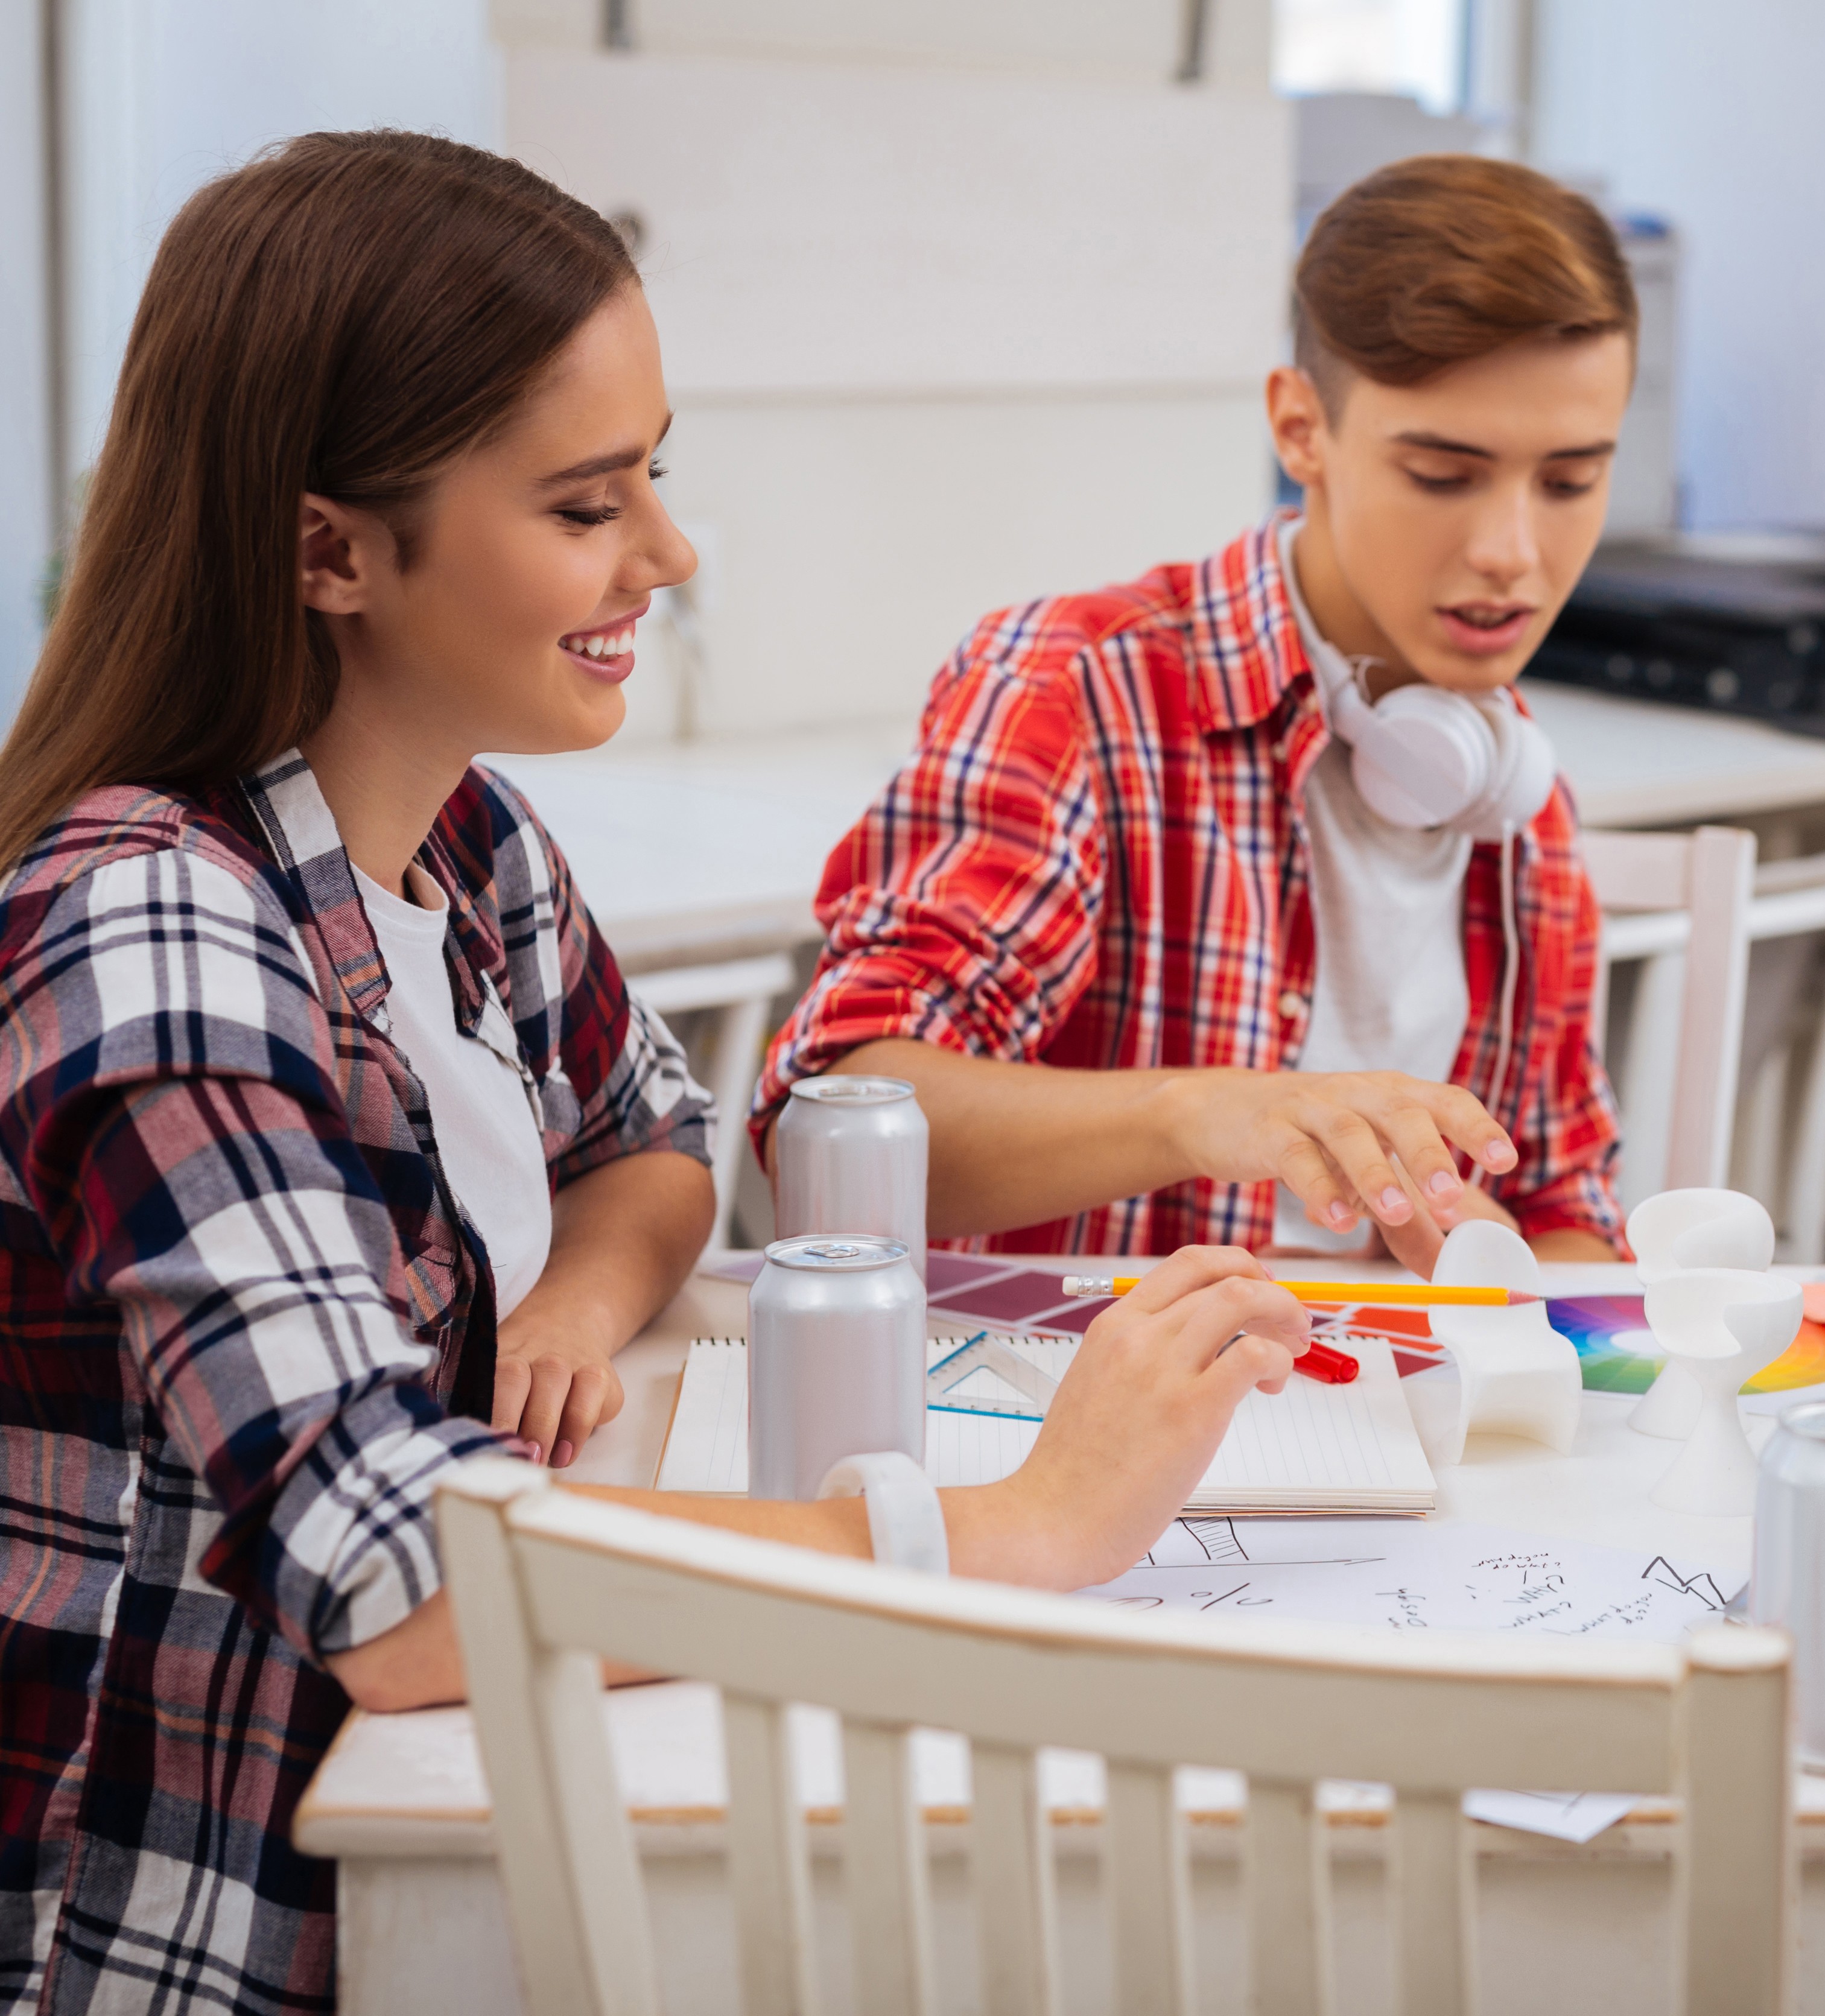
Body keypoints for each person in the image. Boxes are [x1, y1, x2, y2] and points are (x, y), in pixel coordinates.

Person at [0, 133, 1306, 2013]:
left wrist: (574, 1302)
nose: (670, 558)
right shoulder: (153, 931)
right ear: (329, 551)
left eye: (655, 479)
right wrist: (1021, 1528)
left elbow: (660, 1140)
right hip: (203, 1931)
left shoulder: (469, 847)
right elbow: (399, 1582)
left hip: (426, 1824)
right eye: (587, 506)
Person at [761, 155, 1636, 1273]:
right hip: (1088, 1411)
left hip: (1390, 1414)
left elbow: (1566, 1203)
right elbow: (826, 1139)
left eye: (1569, 484)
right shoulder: (1077, 688)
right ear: (1301, 428)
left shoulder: (1516, 790)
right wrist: (1205, 1115)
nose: (1514, 552)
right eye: (1440, 474)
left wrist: (1518, 1280)